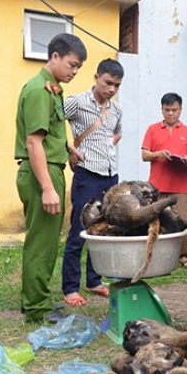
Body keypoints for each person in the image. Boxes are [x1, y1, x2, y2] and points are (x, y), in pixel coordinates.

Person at [15, 33, 87, 322]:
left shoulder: (53, 90)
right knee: (40, 242)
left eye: (78, 67)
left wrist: (68, 147)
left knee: (46, 242)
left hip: (50, 168)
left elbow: (48, 135)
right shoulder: (38, 91)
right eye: (72, 64)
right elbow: (33, 143)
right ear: (54, 57)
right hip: (39, 174)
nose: (74, 71)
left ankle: (38, 297)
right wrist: (47, 187)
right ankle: (36, 307)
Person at [61, 59, 124, 306]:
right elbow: (53, 123)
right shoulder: (77, 102)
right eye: (108, 82)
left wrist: (106, 146)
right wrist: (70, 148)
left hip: (111, 175)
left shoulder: (116, 109)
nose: (111, 89)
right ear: (96, 77)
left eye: (116, 85)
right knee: (80, 231)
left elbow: (117, 131)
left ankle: (94, 281)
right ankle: (70, 288)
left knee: (103, 231)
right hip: (87, 174)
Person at [141, 93, 187, 269]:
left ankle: (185, 256)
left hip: (180, 186)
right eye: (167, 110)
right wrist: (159, 154)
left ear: (180, 110)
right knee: (156, 221)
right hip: (156, 186)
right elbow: (144, 155)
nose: (171, 113)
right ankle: (156, 255)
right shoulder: (152, 129)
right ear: (162, 110)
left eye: (174, 110)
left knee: (183, 219)